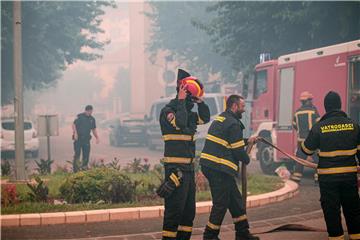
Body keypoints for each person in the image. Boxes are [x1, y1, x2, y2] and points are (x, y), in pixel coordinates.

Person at [159, 69, 210, 240]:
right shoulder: (168, 111)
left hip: (188, 169)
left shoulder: (189, 114)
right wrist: (181, 101)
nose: (189, 99)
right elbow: (179, 123)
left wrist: (200, 102)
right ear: (181, 91)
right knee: (174, 211)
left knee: (189, 213)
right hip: (175, 170)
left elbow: (205, 118)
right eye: (188, 94)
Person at [301, 91, 360, 240]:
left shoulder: (319, 127)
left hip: (328, 180)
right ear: (340, 106)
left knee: (331, 212)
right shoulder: (354, 126)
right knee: (353, 210)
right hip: (349, 178)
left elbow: (306, 149)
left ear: (326, 107)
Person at [200, 94, 259, 240]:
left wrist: (248, 141)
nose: (243, 110)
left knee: (235, 201)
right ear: (234, 106)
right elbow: (238, 152)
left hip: (212, 166)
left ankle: (243, 233)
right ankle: (209, 236)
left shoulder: (222, 118)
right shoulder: (233, 124)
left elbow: (231, 141)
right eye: (242, 106)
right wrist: (247, 159)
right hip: (219, 169)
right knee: (221, 203)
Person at [291, 91, 320, 183]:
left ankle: (296, 178)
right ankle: (317, 178)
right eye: (310, 100)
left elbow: (294, 125)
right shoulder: (313, 111)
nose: (312, 101)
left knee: (300, 159)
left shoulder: (297, 112)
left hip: (301, 140)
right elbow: (318, 124)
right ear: (308, 101)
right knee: (317, 159)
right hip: (312, 139)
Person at [72, 105, 99, 171]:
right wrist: (75, 133)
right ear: (87, 110)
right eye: (90, 111)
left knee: (86, 155)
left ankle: (84, 168)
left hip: (86, 139)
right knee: (77, 154)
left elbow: (93, 129)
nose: (91, 113)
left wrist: (97, 137)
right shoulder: (80, 116)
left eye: (91, 111)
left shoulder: (92, 119)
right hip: (78, 139)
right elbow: (73, 124)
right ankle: (76, 170)